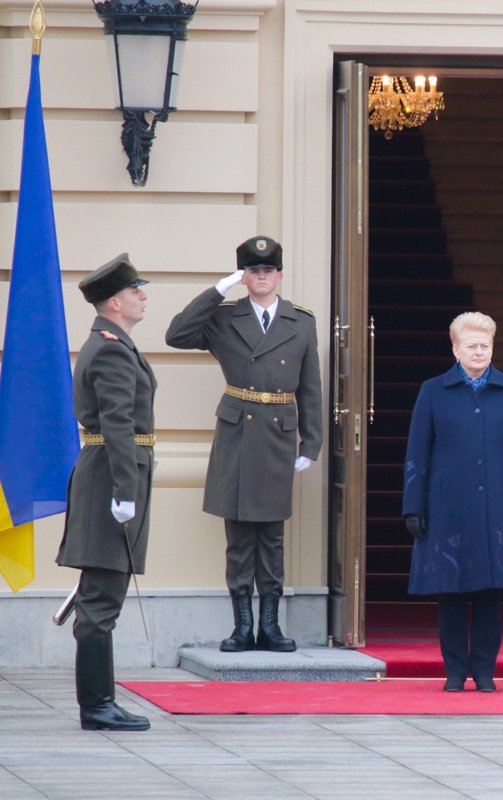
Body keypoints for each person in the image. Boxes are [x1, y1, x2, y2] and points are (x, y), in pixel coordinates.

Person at [164, 235, 322, 653]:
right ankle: (242, 627)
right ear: (244, 276)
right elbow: (176, 335)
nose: (262, 277)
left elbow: (310, 387)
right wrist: (217, 291)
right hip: (238, 433)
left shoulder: (301, 321)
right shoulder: (223, 317)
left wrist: (312, 443)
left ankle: (269, 626)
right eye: (253, 271)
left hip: (278, 434)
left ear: (280, 275)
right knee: (238, 537)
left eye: (268, 270)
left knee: (271, 535)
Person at [402, 312, 503, 692]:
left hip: (498, 507)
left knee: (489, 594)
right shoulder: (433, 390)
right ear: (456, 349)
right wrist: (413, 506)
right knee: (449, 591)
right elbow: (417, 453)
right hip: (446, 507)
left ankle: (483, 671)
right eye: (471, 345)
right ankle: (453, 671)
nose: (479, 352)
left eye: (485, 345)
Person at [56, 253, 156, 731]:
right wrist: (124, 489)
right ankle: (97, 706)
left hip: (111, 474)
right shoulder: (112, 349)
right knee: (100, 599)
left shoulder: (113, 343)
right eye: (136, 291)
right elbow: (118, 424)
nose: (142, 297)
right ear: (114, 302)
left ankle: (100, 703)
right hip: (110, 480)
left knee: (103, 594)